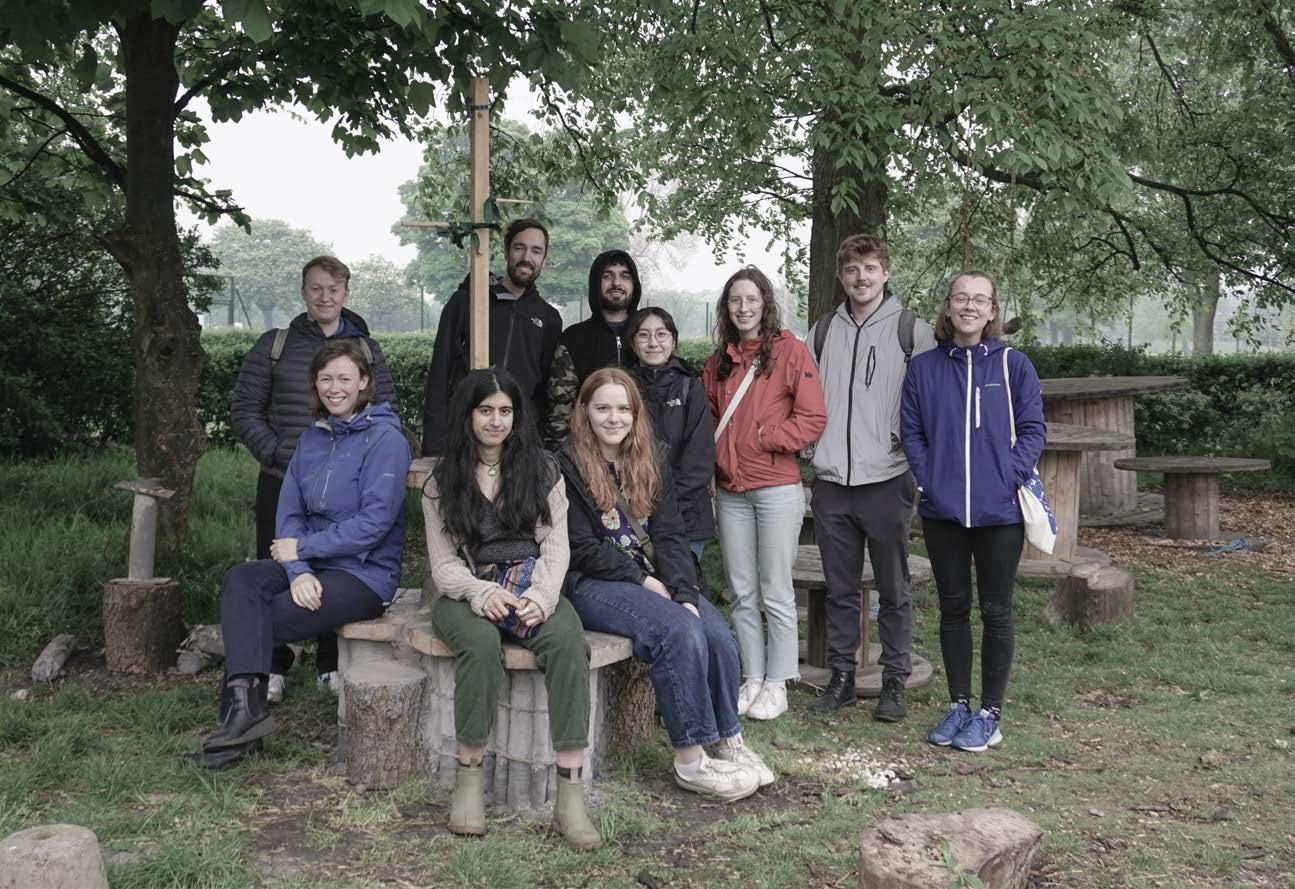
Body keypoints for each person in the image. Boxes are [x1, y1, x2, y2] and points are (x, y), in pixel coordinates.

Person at [190, 339, 411, 769]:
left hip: (364, 575)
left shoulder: (387, 439)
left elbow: (374, 524)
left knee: (254, 620)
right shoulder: (311, 438)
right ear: (315, 384)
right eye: (325, 378)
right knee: (242, 580)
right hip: (312, 564)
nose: (334, 388)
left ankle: (236, 733)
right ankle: (245, 719)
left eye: (344, 378)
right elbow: (288, 512)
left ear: (364, 382)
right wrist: (299, 570)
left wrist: (305, 549)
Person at [559, 368, 774, 801]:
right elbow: (580, 548)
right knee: (677, 630)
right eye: (603, 408)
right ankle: (690, 762)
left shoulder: (652, 458)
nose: (614, 418)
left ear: (636, 413)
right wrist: (643, 581)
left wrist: (682, 592)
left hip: (653, 575)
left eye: (623, 408)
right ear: (584, 411)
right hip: (592, 582)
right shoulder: (565, 464)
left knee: (715, 630)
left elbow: (671, 535)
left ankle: (727, 741)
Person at [422, 368, 600, 849]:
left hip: (530, 583)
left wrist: (540, 598)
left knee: (568, 644)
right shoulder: (443, 480)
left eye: (505, 411)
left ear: (517, 417)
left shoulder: (542, 470)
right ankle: (468, 783)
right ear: (468, 415)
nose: (496, 421)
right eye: (485, 411)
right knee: (481, 646)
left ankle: (569, 796)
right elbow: (443, 566)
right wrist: (481, 593)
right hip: (466, 590)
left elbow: (556, 548)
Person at [230, 255, 399, 703]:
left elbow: (387, 408)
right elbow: (244, 409)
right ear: (303, 292)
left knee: (334, 564)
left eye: (333, 289)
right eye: (316, 288)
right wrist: (278, 451)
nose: (325, 297)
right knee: (278, 561)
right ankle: (271, 667)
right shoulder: (276, 345)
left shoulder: (365, 348)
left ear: (346, 293)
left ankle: (329, 663)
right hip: (283, 476)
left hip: (347, 486)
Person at [900, 270, 1046, 752]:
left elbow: (1033, 430)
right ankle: (959, 704)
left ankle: (990, 713)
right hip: (943, 512)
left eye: (979, 300)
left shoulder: (1013, 365)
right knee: (953, 608)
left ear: (992, 311)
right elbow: (912, 432)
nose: (969, 306)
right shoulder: (923, 369)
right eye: (960, 298)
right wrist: (929, 480)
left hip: (1000, 514)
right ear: (947, 308)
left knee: (996, 611)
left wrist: (1008, 477)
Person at [804, 234, 937, 720]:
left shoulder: (912, 331)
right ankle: (841, 676)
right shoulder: (822, 331)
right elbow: (803, 397)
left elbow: (931, 402)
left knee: (892, 587)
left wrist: (910, 452)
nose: (861, 277)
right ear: (841, 276)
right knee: (840, 587)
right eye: (852, 269)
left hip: (887, 477)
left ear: (886, 272)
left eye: (870, 268)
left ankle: (893, 680)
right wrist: (811, 450)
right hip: (832, 481)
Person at [702, 267, 826, 721]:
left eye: (751, 299)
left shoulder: (790, 352)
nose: (744, 308)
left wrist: (766, 437)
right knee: (741, 590)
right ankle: (753, 677)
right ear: (726, 308)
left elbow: (813, 418)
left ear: (765, 303)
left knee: (775, 588)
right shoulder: (718, 361)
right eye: (735, 300)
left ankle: (778, 682)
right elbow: (708, 420)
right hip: (731, 490)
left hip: (775, 487)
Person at [421, 218, 563, 456]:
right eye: (519, 248)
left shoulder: (549, 319)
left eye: (536, 251)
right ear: (506, 251)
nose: (527, 257)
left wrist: (536, 445)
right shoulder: (466, 302)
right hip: (463, 438)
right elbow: (439, 374)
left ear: (544, 259)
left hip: (518, 445)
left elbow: (544, 393)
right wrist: (435, 446)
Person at [627, 307, 716, 560]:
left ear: (673, 341)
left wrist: (667, 508)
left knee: (682, 581)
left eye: (661, 334)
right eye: (643, 335)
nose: (653, 342)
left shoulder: (690, 387)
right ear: (633, 343)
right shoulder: (622, 386)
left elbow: (699, 459)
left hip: (685, 515)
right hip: (633, 513)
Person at [543, 249, 643, 447]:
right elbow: (560, 413)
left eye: (625, 276)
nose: (616, 283)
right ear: (595, 283)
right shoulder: (574, 339)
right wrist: (560, 459)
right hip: (589, 452)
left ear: (634, 284)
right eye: (607, 276)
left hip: (642, 449)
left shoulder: (648, 335)